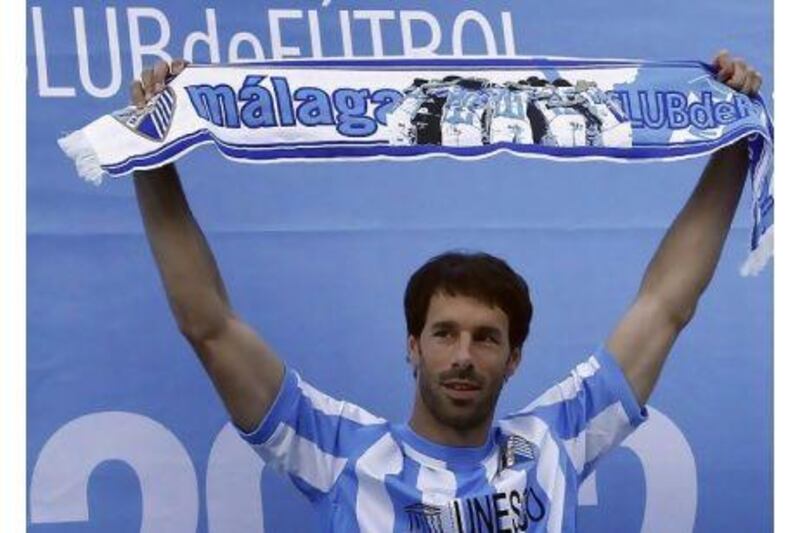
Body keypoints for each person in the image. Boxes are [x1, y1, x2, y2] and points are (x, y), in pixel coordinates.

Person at [131, 51, 762, 532]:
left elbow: (666, 304)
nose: (464, 355)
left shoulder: (555, 440)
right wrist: (153, 153)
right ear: (412, 346)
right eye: (444, 334)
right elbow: (207, 325)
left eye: (487, 338)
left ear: (513, 358)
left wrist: (732, 143)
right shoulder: (340, 452)